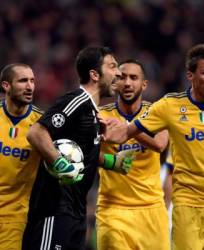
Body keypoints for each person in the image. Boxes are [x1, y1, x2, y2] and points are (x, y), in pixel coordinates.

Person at [103, 44, 204, 250]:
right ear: (190, 75)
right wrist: (102, 129)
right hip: (186, 205)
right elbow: (126, 133)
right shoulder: (169, 106)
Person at [22, 46, 134, 250]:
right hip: (54, 209)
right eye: (112, 66)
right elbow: (36, 133)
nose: (118, 73)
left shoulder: (93, 113)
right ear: (94, 74)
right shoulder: (76, 101)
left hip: (76, 211)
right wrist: (59, 163)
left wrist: (111, 162)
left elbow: (81, 154)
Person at [96, 59, 170, 250]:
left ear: (144, 84)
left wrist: (128, 130)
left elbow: (160, 145)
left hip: (152, 210)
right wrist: (106, 160)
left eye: (134, 78)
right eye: (122, 77)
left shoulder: (157, 113)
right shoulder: (101, 116)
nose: (127, 83)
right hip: (113, 210)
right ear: (115, 83)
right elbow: (83, 153)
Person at [0, 63, 42, 250]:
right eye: (23, 81)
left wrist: (109, 161)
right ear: (6, 86)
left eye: (32, 81)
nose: (29, 86)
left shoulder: (41, 125)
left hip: (14, 216)